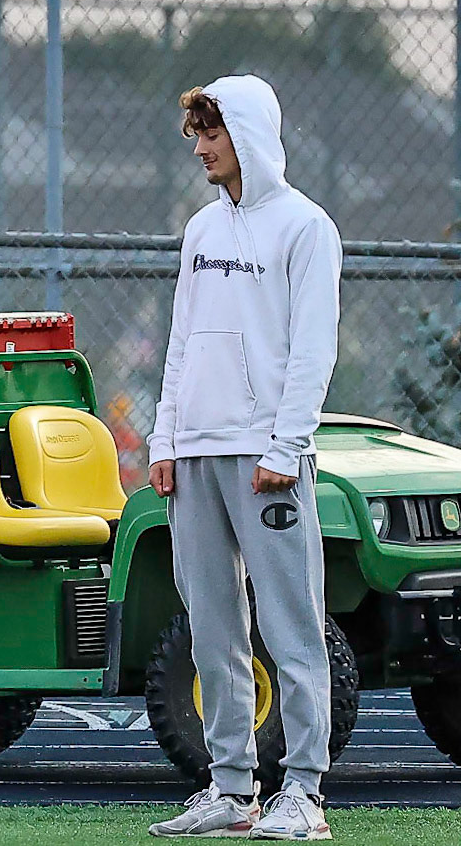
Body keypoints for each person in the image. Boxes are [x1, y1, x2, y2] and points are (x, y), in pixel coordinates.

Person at [145, 76, 342, 840]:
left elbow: (313, 350)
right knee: (210, 629)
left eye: (212, 133)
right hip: (193, 454)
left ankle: (304, 793)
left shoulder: (306, 226)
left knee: (291, 625)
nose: (199, 148)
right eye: (196, 134)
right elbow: (181, 341)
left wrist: (285, 445)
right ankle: (230, 790)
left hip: (266, 456)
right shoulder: (199, 229)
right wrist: (165, 440)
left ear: (248, 134)